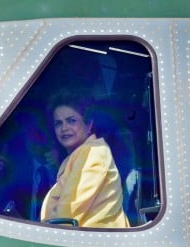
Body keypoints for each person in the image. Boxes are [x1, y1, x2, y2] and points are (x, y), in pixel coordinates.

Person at [40, 90, 129, 228]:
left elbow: (68, 214)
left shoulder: (94, 152)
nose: (64, 128)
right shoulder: (77, 155)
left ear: (88, 125)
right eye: (58, 123)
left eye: (71, 121)